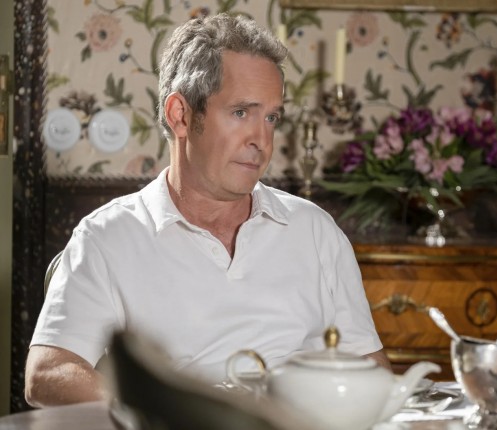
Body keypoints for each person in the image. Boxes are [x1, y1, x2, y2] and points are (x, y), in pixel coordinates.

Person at [24, 13, 389, 407]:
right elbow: (47, 374)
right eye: (241, 113)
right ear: (180, 115)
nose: (262, 140)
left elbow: (373, 375)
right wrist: (172, 409)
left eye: (271, 117)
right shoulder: (108, 237)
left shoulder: (314, 230)